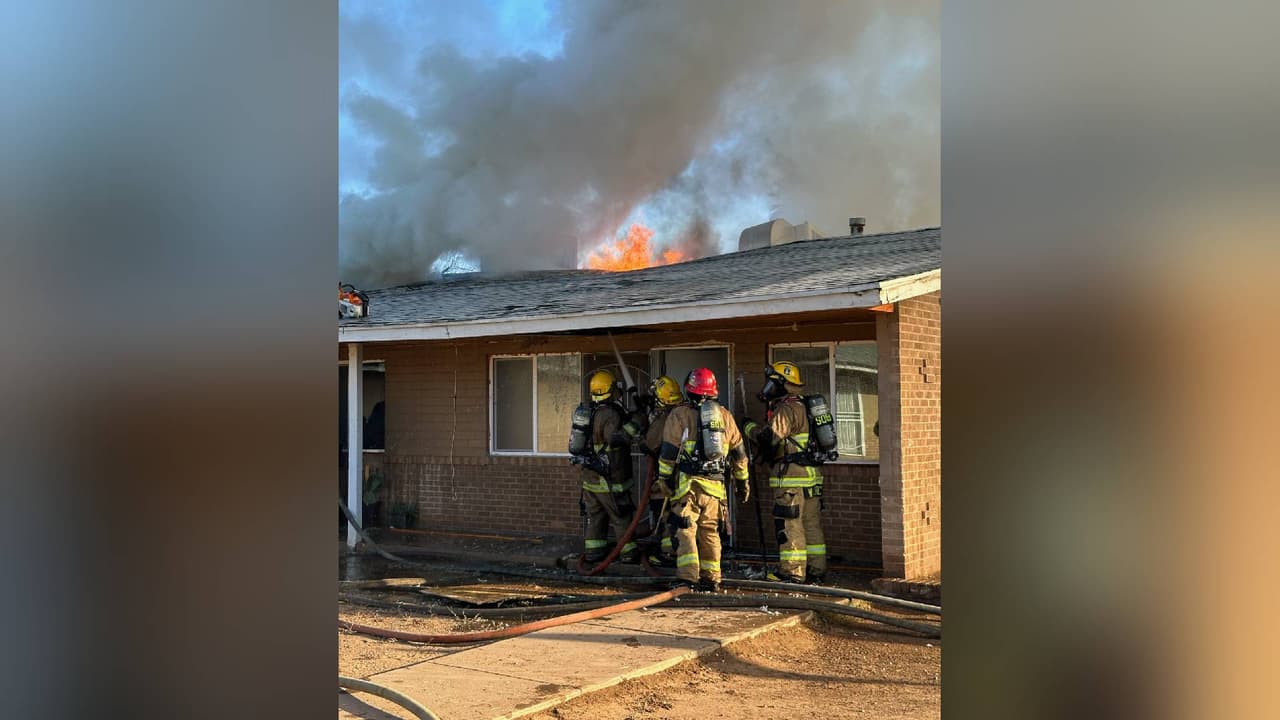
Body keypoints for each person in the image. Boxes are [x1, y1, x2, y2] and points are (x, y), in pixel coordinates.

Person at [654, 368, 750, 592]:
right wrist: (743, 483)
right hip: (716, 489)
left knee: (685, 529)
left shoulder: (679, 415)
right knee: (710, 532)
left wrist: (664, 480)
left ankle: (688, 578)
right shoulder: (725, 416)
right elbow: (739, 455)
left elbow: (668, 452)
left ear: (690, 390)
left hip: (689, 487)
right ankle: (712, 578)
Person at [743, 361, 827, 584]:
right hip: (812, 476)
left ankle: (792, 572)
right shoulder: (806, 406)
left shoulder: (787, 408)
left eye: (772, 382)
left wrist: (748, 428)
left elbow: (768, 438)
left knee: (790, 526)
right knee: (811, 525)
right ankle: (816, 570)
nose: (768, 387)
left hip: (791, 479)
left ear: (782, 383)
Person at [578, 369, 645, 563]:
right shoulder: (609, 414)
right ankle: (628, 553)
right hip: (609, 478)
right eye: (615, 387)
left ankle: (593, 552)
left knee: (596, 516)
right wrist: (636, 423)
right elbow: (616, 439)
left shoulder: (589, 411)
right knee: (620, 516)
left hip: (590, 477)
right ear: (611, 389)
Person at [638, 375, 682, 566]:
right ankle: (678, 550)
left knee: (663, 512)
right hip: (686, 475)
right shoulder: (686, 412)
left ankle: (667, 553)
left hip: (666, 475)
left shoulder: (664, 417)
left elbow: (650, 444)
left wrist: (642, 434)